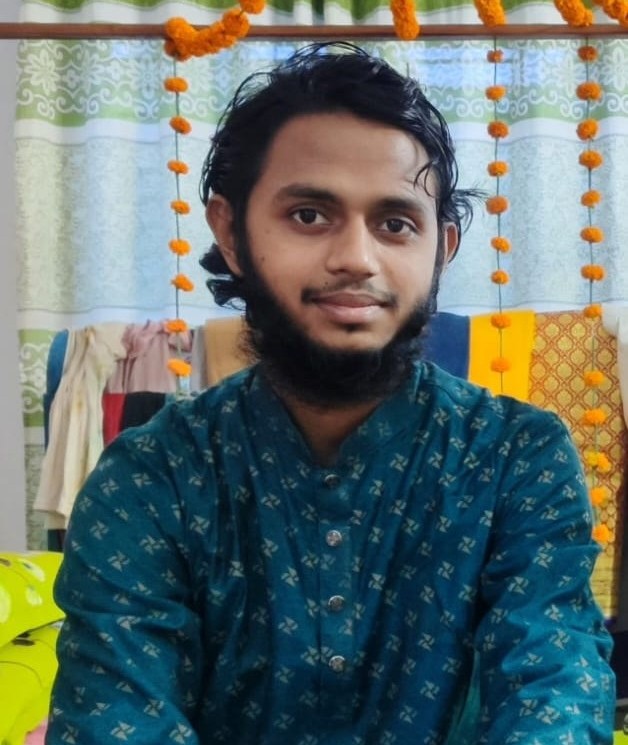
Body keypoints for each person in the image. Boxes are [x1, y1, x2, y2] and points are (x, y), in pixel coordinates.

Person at [46, 42, 615, 744]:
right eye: (310, 215)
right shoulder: (150, 479)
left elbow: (554, 685)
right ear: (230, 231)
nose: (355, 258)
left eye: (395, 223)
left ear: (442, 247)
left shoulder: (516, 459)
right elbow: (114, 717)